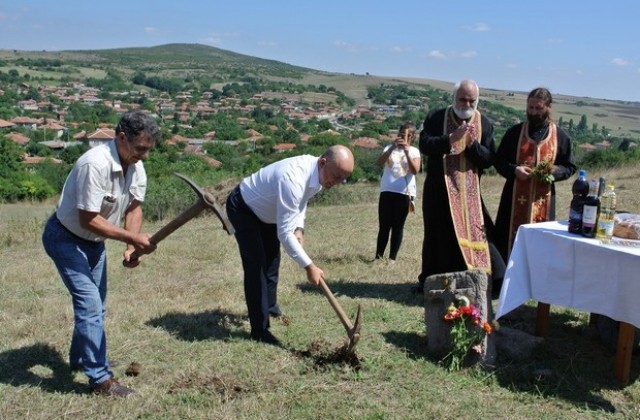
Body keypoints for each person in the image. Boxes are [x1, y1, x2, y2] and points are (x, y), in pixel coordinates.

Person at [42, 109, 160, 397]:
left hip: (94, 242)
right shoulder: (94, 164)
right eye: (141, 148)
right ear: (121, 138)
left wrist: (132, 247)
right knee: (90, 305)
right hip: (65, 238)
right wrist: (132, 237)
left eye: (148, 149)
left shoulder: (135, 165)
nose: (145, 155)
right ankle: (100, 381)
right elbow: (88, 219)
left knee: (97, 306)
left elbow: (134, 206)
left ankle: (82, 358)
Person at [226, 145, 354, 346]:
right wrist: (309, 267)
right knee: (257, 266)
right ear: (323, 162)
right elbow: (284, 234)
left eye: (341, 179)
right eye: (336, 176)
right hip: (244, 207)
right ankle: (259, 329)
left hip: (268, 211)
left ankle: (270, 305)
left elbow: (302, 200)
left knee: (272, 259)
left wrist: (299, 228)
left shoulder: (319, 174)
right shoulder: (293, 177)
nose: (336, 183)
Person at [414, 79, 505, 295]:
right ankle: (430, 281)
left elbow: (488, 159)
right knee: (436, 235)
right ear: (454, 98)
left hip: (469, 194)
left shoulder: (485, 124)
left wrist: (472, 145)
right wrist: (450, 139)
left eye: (471, 100)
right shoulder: (437, 117)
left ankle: (489, 279)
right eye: (462, 99)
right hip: (439, 189)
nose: (467, 104)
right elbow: (425, 145)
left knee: (480, 234)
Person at [494, 87, 577, 263]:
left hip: (544, 200)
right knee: (506, 239)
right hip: (513, 198)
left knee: (540, 242)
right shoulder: (514, 133)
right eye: (530, 108)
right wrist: (514, 170)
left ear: (548, 107)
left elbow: (569, 166)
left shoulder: (560, 137)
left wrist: (554, 172)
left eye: (538, 108)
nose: (533, 112)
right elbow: (499, 161)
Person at [374, 121, 421, 261]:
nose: (404, 137)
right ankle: (378, 257)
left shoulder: (414, 151)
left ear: (412, 137)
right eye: (401, 134)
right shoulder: (389, 147)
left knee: (397, 226)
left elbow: (415, 170)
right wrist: (392, 148)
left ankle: (392, 258)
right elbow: (379, 162)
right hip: (387, 191)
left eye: (407, 135)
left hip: (404, 193)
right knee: (384, 225)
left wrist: (406, 151)